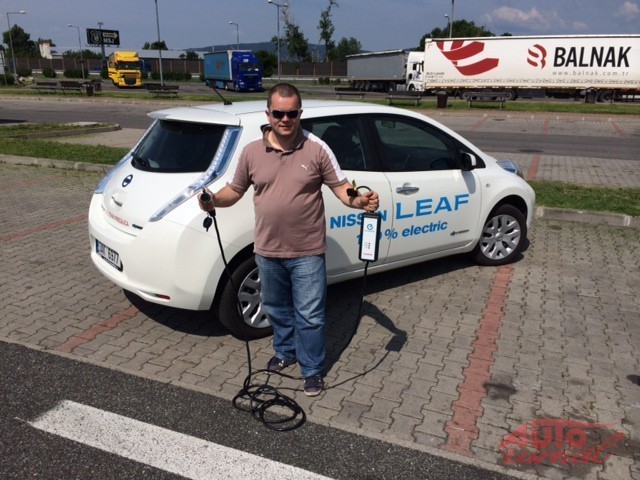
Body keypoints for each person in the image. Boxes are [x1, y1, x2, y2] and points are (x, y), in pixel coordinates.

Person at [199, 83, 379, 396]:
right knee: (276, 308)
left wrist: (360, 200)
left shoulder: (316, 149)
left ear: (300, 114)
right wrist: (213, 200)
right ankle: (285, 352)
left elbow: (342, 187)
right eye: (279, 113)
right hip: (267, 250)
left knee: (310, 315)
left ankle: (312, 370)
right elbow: (235, 191)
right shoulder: (252, 152)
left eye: (292, 113)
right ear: (268, 114)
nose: (285, 119)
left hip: (307, 251)